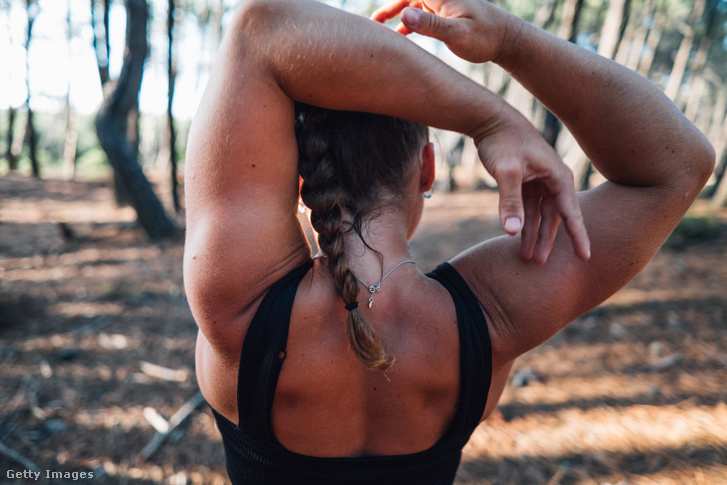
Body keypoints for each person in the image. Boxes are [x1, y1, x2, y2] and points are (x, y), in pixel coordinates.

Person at [182, 0, 714, 482]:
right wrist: (508, 43)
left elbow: (261, 28)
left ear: (300, 183)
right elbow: (677, 165)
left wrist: (488, 120)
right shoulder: (491, 320)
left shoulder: (241, 312)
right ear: (428, 168)